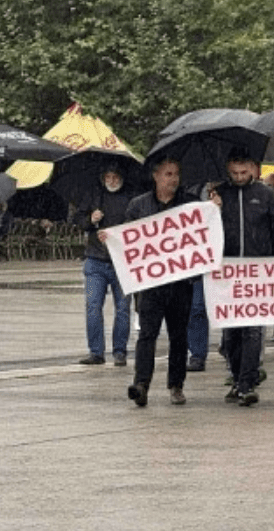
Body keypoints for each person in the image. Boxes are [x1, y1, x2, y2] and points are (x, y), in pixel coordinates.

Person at [211, 148, 274, 407]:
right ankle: (237, 379)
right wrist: (211, 209)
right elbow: (203, 229)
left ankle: (247, 384)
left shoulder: (265, 194)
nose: (239, 177)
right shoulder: (219, 195)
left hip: (259, 273)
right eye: (234, 173)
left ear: (254, 169)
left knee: (253, 331)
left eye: (243, 172)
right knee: (231, 335)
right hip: (228, 273)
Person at [116, 158, 197, 407]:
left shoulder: (189, 205)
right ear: (155, 176)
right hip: (150, 285)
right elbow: (127, 240)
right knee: (147, 335)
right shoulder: (138, 205)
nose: (173, 179)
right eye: (168, 174)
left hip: (180, 283)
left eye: (176, 174)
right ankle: (141, 384)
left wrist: (213, 208)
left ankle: (176, 385)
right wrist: (110, 236)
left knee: (178, 336)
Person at [75, 164, 135, 367]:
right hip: (95, 259)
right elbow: (79, 221)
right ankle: (96, 352)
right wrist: (91, 220)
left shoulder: (131, 198)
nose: (111, 181)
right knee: (93, 306)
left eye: (115, 176)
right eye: (108, 177)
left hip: (122, 261)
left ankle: (120, 351)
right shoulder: (93, 195)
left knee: (123, 308)